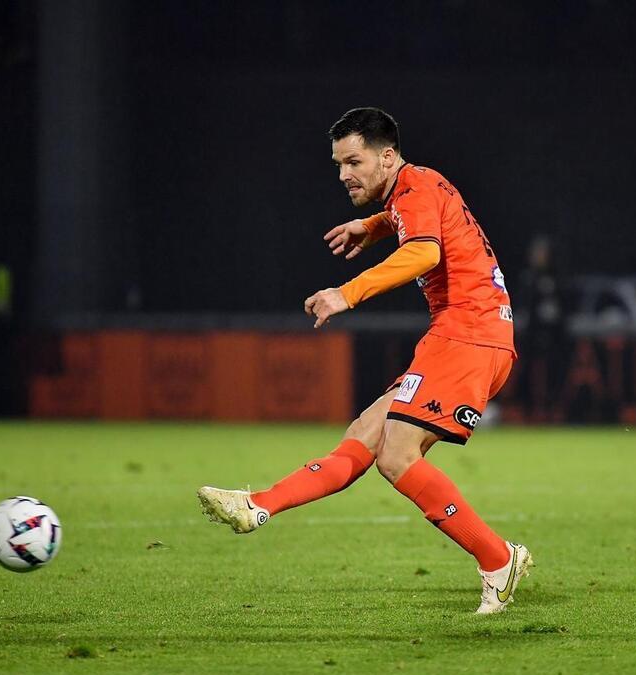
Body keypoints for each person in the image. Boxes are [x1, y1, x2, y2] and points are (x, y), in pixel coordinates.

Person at [197, 107, 531, 614]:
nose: (344, 174)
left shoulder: (416, 186)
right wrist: (372, 227)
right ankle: (257, 506)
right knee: (362, 435)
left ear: (388, 156)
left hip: (470, 335)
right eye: (337, 164)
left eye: (353, 161)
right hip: (465, 333)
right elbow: (415, 218)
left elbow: (424, 253)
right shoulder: (415, 187)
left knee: (396, 457)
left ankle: (496, 559)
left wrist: (346, 293)